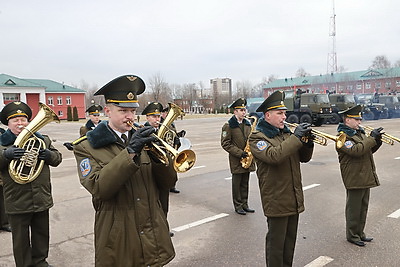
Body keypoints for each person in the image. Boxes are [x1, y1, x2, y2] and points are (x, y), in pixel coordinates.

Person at [72, 75, 175, 266]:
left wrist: (159, 160)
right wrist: (130, 153)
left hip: (152, 232)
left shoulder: (144, 139)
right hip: (119, 236)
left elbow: (168, 183)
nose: (130, 116)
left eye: (133, 110)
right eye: (123, 111)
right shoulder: (86, 147)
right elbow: (100, 188)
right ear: (107, 111)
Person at [248, 90, 314, 266]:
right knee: (276, 245)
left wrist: (308, 144)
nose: (284, 117)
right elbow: (274, 156)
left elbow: (304, 158)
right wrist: (296, 137)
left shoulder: (285, 134)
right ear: (267, 115)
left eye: (284, 113)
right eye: (280, 113)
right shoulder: (257, 137)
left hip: (292, 196)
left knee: (289, 242)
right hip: (276, 198)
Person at [0, 101, 62, 267]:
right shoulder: (2, 143)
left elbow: (58, 159)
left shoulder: (42, 139)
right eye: (16, 120)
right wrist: (5, 155)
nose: (20, 124)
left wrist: (49, 155)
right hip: (17, 199)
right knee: (20, 239)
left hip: (41, 196)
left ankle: (40, 262)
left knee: (41, 234)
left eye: (23, 120)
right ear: (8, 123)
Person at [336, 104, 383, 247]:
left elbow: (367, 150)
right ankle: (352, 235)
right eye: (356, 119)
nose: (359, 122)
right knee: (354, 208)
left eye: (360, 119)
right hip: (354, 176)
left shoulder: (359, 133)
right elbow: (356, 150)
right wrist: (370, 139)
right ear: (347, 120)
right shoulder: (342, 137)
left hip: (364, 174)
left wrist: (377, 141)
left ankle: (360, 232)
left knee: (363, 206)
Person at [142, 102, 178, 237]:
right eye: (154, 117)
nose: (157, 119)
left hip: (163, 173)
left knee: (164, 204)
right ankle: (152, 232)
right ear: (147, 117)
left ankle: (163, 229)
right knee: (151, 206)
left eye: (158, 116)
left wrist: (175, 142)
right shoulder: (141, 131)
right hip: (150, 173)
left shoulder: (164, 130)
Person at [221, 98, 256, 215]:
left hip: (247, 158)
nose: (244, 112)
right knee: (237, 184)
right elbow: (225, 144)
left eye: (244, 109)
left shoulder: (247, 123)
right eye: (241, 110)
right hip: (236, 159)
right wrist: (239, 153)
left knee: (245, 182)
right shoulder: (228, 126)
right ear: (235, 112)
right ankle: (238, 205)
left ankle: (245, 204)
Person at [161, 105, 185, 194]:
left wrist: (179, 135)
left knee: (173, 168)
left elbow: (172, 134)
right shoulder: (161, 123)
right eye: (166, 113)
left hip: (172, 149)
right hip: (164, 149)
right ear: (162, 114)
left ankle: (172, 186)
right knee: (165, 169)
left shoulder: (171, 123)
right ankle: (166, 185)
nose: (167, 114)